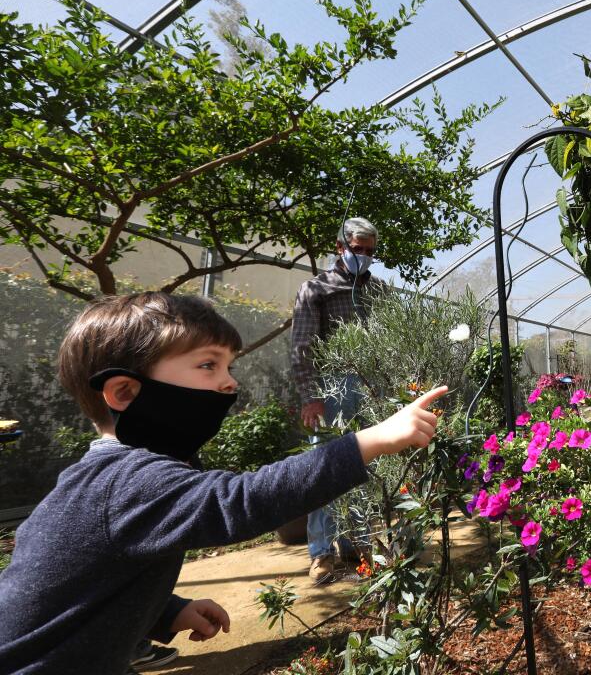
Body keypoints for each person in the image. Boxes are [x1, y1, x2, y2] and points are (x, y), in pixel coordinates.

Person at [0, 292, 443, 675]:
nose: (229, 381)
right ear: (126, 393)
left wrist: (168, 611)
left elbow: (83, 581)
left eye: (228, 366)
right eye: (208, 365)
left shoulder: (102, 479)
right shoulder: (128, 480)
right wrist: (369, 441)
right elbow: (239, 501)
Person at [291, 217, 384, 583]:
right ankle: (321, 553)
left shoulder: (379, 292)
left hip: (370, 385)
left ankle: (356, 543)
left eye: (369, 251)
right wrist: (310, 397)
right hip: (332, 389)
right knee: (326, 471)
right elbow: (302, 347)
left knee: (364, 468)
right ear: (340, 247)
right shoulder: (317, 288)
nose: (362, 256)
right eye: (356, 249)